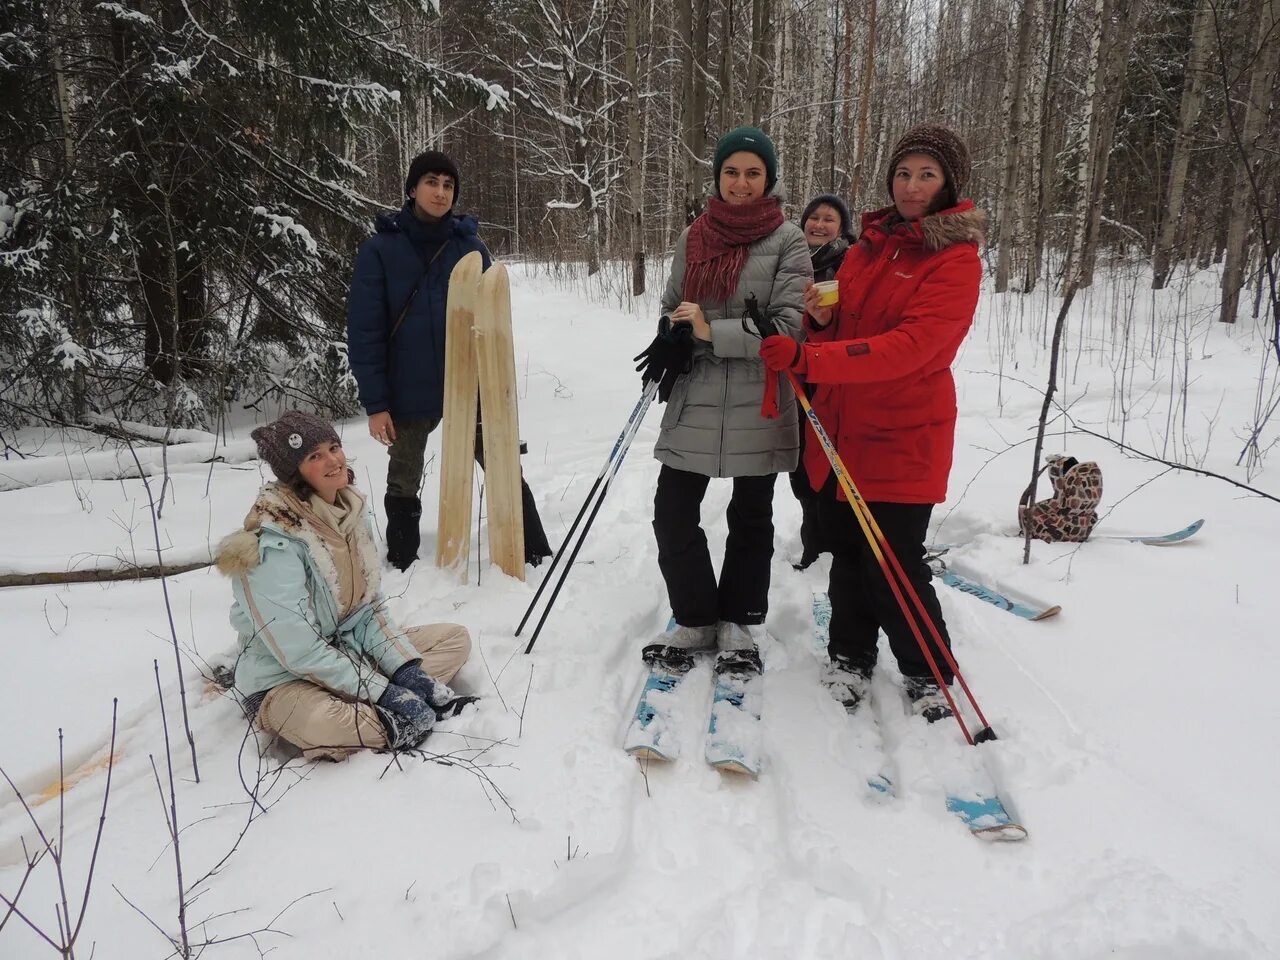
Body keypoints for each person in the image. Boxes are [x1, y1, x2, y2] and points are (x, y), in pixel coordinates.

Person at [760, 125, 984, 722]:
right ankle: (850, 654)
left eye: (926, 175)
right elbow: (844, 328)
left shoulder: (955, 260)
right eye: (903, 173)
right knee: (849, 555)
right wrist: (820, 322)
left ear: (948, 184)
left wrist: (812, 358)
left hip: (901, 435)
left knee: (894, 563)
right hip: (840, 430)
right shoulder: (866, 249)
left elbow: (913, 348)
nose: (911, 186)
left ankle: (927, 670)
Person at [643, 126, 811, 676]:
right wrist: (671, 333)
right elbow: (673, 302)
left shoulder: (788, 240)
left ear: (768, 179)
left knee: (751, 517)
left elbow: (788, 327)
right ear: (717, 177)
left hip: (759, 398)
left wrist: (710, 331)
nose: (741, 183)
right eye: (732, 172)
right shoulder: (695, 235)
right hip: (695, 394)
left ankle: (739, 620)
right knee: (672, 513)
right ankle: (695, 617)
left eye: (753, 173)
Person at [217, 410, 478, 760]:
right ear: (295, 474)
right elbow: (299, 651)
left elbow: (369, 610)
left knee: (454, 639)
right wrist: (383, 691)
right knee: (324, 724)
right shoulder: (274, 542)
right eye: (315, 456)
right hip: (284, 678)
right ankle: (383, 715)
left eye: (334, 447)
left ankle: (387, 704)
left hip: (347, 653)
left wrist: (407, 673)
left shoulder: (351, 513)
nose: (333, 460)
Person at [346, 150, 552, 571]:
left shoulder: (470, 248)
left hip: (469, 384)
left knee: (501, 461)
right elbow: (365, 332)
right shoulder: (380, 250)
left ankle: (533, 552)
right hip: (408, 385)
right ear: (412, 188)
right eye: (431, 183)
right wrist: (376, 403)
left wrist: (494, 386)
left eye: (448, 185)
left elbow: (492, 321)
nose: (440, 193)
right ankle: (403, 562)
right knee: (404, 475)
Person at [791, 194, 855, 570]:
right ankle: (812, 540)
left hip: (832, 376)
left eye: (829, 219)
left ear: (841, 228)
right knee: (800, 463)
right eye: (813, 217)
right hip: (793, 374)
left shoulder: (851, 263)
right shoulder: (790, 260)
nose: (819, 224)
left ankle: (831, 544)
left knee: (830, 462)